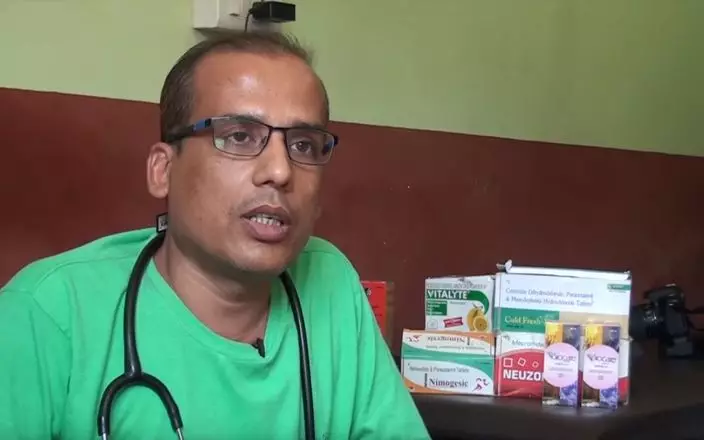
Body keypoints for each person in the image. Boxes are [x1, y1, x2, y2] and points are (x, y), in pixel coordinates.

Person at [0, 31, 430, 439]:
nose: (280, 171)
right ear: (164, 170)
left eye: (302, 144)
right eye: (239, 136)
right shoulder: (47, 312)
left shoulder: (331, 283)